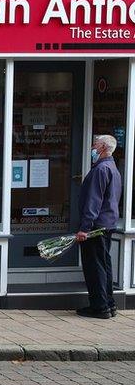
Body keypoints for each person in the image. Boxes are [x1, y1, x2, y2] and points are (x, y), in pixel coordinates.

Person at [75, 135, 122, 319]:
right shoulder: (112, 168)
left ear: (102, 147)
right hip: (107, 225)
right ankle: (108, 304)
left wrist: (84, 228)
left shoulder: (101, 169)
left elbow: (93, 202)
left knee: (94, 267)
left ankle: (99, 307)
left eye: (95, 145)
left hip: (96, 227)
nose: (92, 148)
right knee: (104, 265)